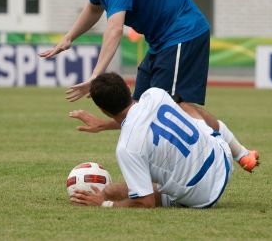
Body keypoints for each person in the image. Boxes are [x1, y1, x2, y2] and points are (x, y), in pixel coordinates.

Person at [39, 0, 220, 131]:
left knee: (167, 108)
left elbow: (115, 28)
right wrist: (68, 38)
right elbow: (94, 9)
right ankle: (241, 153)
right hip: (162, 41)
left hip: (182, 33)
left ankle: (223, 149)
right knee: (139, 107)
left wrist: (95, 75)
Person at [69, 72, 260, 208]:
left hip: (203, 195)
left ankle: (110, 196)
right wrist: (103, 125)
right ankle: (242, 154)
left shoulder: (127, 148)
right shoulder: (155, 94)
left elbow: (146, 203)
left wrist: (105, 203)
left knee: (112, 192)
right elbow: (139, 120)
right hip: (222, 158)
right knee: (184, 106)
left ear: (103, 109)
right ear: (127, 90)